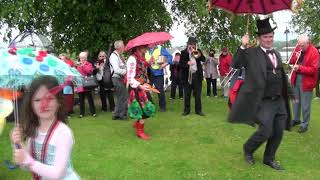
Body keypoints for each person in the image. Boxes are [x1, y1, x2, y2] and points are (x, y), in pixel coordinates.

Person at [229, 18, 292, 170]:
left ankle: (269, 158)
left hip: (279, 100)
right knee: (265, 130)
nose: (269, 39)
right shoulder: (252, 53)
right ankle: (248, 149)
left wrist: (289, 93)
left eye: (271, 36)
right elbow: (235, 64)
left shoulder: (276, 53)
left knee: (278, 132)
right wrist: (243, 46)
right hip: (263, 100)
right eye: (265, 37)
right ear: (259, 38)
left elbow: (281, 75)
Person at [10, 75, 80, 179]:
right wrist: (18, 143)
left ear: (59, 102)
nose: (44, 104)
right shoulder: (33, 131)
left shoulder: (63, 133)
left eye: (49, 98)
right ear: (31, 105)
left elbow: (57, 174)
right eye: (37, 100)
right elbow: (27, 166)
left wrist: (27, 160)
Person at [289, 35, 319, 133]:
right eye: (299, 45)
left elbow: (314, 70)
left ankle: (304, 124)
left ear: (308, 43)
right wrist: (295, 57)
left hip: (307, 81)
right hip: (295, 78)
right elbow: (292, 61)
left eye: (302, 45)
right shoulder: (298, 48)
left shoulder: (314, 52)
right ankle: (296, 119)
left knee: (305, 105)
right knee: (295, 102)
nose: (300, 47)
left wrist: (300, 68)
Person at [127, 45, 154, 140]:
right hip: (136, 88)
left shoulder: (141, 57)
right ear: (139, 48)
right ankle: (140, 132)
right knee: (145, 110)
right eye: (145, 47)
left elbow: (142, 66)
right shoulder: (132, 59)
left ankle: (137, 124)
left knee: (149, 106)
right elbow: (130, 78)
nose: (147, 48)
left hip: (142, 86)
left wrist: (149, 62)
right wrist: (140, 85)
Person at [179, 37, 205, 116]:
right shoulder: (183, 52)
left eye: (194, 44)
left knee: (197, 95)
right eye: (191, 44)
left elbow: (203, 59)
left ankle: (198, 110)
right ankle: (187, 111)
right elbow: (180, 64)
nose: (193, 45)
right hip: (187, 76)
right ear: (188, 44)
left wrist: (197, 54)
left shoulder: (197, 50)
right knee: (187, 95)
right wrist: (187, 63)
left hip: (197, 75)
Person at [145, 44, 172, 112]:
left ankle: (162, 107)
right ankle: (150, 106)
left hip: (158, 72)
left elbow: (170, 57)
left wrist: (164, 64)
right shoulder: (144, 49)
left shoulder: (160, 48)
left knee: (160, 91)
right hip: (148, 72)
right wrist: (148, 62)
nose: (149, 44)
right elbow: (142, 61)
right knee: (146, 90)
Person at [109, 40, 127, 120]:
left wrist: (124, 62)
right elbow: (116, 69)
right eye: (123, 46)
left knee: (120, 97)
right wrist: (126, 72)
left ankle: (116, 114)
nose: (124, 47)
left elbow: (121, 66)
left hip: (118, 78)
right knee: (123, 96)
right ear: (119, 47)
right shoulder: (113, 56)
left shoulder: (118, 56)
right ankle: (122, 115)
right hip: (116, 78)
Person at [77, 52, 96, 118]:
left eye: (83, 58)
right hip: (80, 83)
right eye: (81, 58)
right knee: (81, 100)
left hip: (87, 83)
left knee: (90, 99)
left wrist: (83, 66)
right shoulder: (78, 65)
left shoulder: (89, 64)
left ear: (86, 58)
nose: (82, 59)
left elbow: (89, 71)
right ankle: (81, 113)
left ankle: (93, 112)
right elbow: (77, 73)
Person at [59, 53, 75, 118]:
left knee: (68, 98)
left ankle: (68, 112)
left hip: (67, 82)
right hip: (60, 83)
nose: (61, 60)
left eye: (62, 58)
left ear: (65, 58)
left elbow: (72, 72)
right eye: (60, 58)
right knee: (61, 98)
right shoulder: (57, 64)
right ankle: (63, 112)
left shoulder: (69, 64)